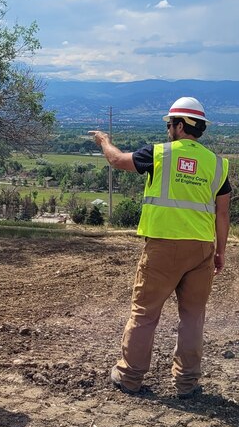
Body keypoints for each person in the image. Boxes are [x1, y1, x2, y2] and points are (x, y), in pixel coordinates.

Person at [90, 96, 231, 398]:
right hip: (201, 250)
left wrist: (103, 140)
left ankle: (129, 376)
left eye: (170, 124)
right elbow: (222, 213)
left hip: (163, 248)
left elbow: (117, 160)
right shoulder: (218, 165)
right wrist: (220, 252)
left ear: (180, 125)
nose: (168, 129)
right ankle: (187, 383)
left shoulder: (158, 154)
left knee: (145, 312)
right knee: (193, 316)